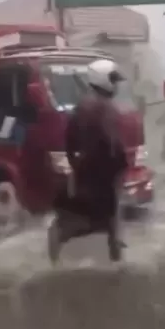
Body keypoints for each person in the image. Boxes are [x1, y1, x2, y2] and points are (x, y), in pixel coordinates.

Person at [47, 58, 129, 264]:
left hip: (86, 171)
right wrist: (122, 164)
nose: (117, 86)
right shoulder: (105, 108)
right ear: (104, 80)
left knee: (97, 220)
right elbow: (113, 144)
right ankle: (115, 262)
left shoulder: (82, 106)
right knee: (103, 220)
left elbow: (69, 142)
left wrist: (76, 166)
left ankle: (57, 258)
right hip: (101, 174)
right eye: (114, 80)